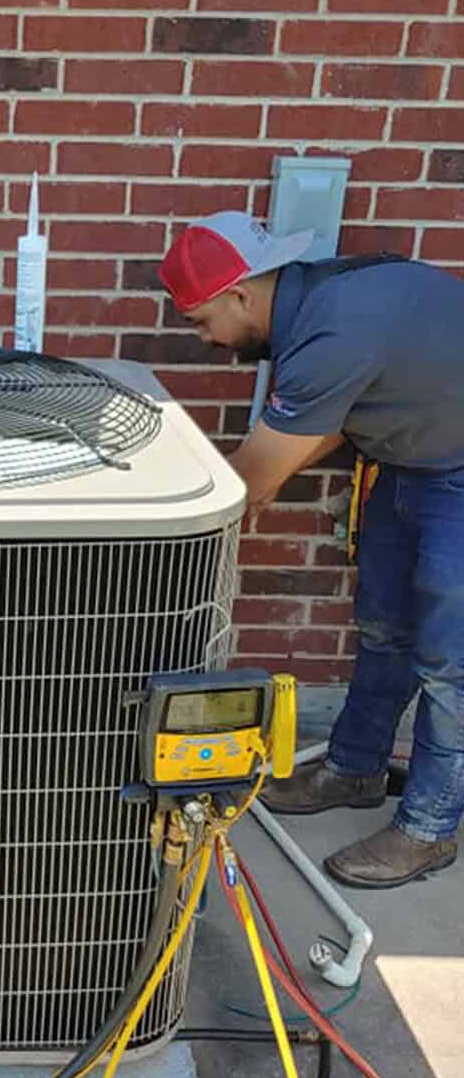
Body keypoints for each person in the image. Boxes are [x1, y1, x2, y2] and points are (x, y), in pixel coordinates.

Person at [158, 211, 464, 889]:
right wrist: (257, 484)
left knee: (449, 661)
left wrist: (189, 528)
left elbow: (253, 477)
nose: (204, 338)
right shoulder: (325, 305)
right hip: (413, 459)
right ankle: (355, 769)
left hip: (454, 469)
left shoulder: (329, 330)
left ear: (240, 294)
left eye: (200, 320)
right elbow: (318, 423)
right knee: (383, 629)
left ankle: (427, 830)